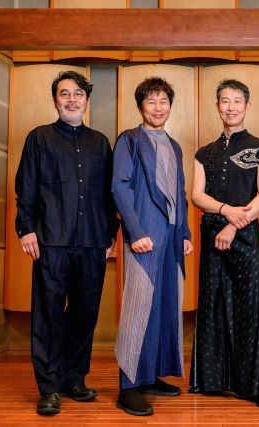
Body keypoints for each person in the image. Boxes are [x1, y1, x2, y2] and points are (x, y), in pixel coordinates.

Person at [15, 70, 119, 416]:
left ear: (86, 100)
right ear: (55, 99)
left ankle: (74, 379)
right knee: (48, 314)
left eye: (78, 94)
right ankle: (48, 387)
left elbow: (110, 194)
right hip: (51, 240)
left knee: (85, 313)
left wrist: (111, 234)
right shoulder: (39, 138)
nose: (71, 100)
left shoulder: (101, 143)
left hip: (92, 241)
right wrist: (26, 229)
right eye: (64, 94)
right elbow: (26, 187)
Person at [189, 79, 259, 408]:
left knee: (250, 308)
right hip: (211, 235)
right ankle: (211, 381)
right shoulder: (204, 153)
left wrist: (233, 225)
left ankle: (258, 387)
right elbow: (197, 195)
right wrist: (226, 211)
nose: (231, 107)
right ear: (218, 106)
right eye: (225, 101)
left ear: (247, 106)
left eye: (237, 101)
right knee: (212, 305)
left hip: (245, 235)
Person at [111, 77, 193, 417]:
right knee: (138, 307)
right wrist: (135, 231)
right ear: (140, 106)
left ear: (170, 106)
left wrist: (185, 233)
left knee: (163, 307)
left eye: (163, 101)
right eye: (151, 101)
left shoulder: (174, 145)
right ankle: (127, 387)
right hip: (144, 233)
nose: (158, 108)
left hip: (171, 237)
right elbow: (119, 188)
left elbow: (180, 194)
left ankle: (149, 376)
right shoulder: (129, 140)